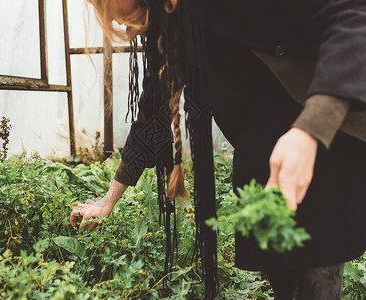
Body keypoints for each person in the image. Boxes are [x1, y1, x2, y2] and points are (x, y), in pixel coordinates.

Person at [70, 0, 366, 299]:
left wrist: (311, 130)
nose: (110, 15)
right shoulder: (169, 18)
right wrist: (108, 199)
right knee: (276, 259)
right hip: (261, 137)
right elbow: (153, 108)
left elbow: (353, 17)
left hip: (326, 117)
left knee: (320, 261)